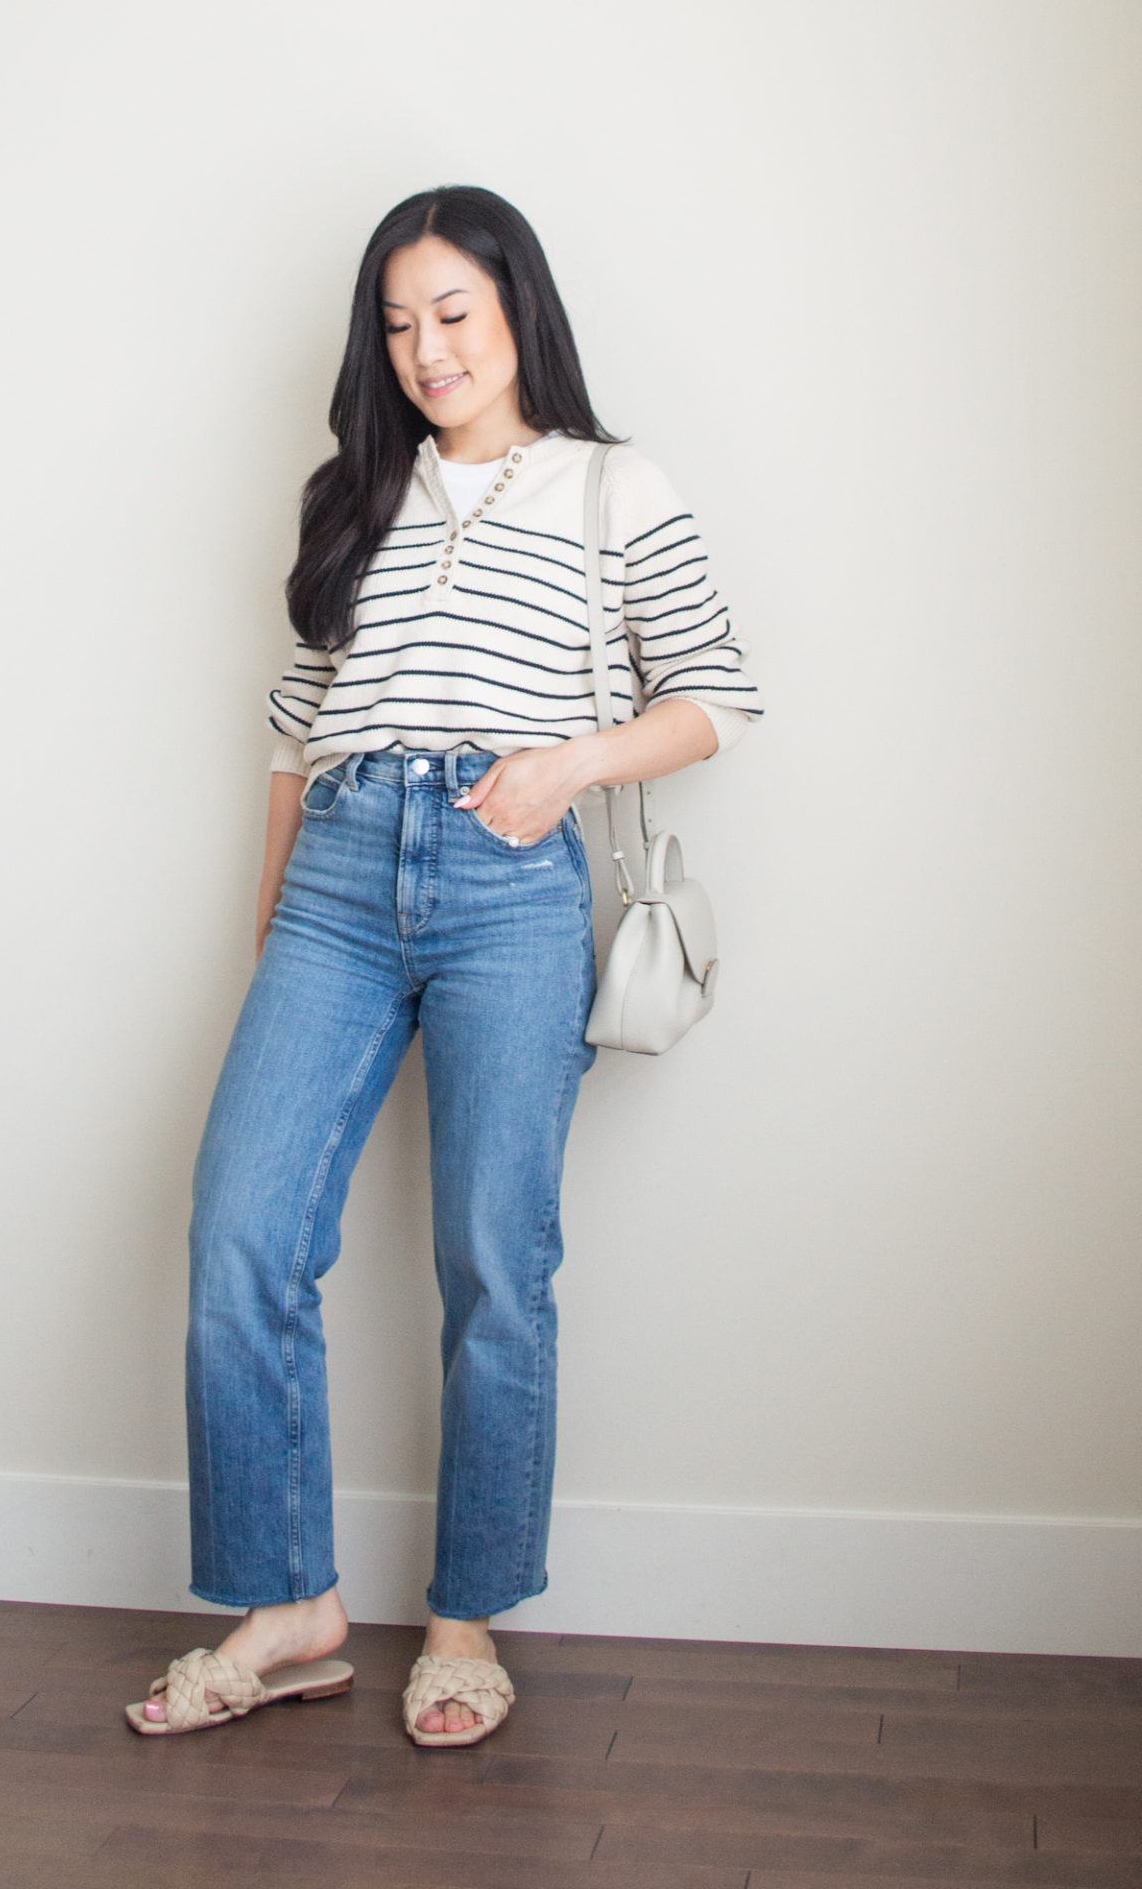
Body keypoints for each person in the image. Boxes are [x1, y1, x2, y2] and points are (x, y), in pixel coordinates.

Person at [125, 185, 765, 1749]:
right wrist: (278, 921)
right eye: (399, 325)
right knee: (241, 1234)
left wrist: (565, 770)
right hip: (341, 873)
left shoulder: (614, 488)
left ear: (515, 308)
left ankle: (465, 1618)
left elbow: (723, 690)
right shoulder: (353, 493)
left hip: (507, 878)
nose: (426, 350)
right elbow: (295, 724)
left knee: (494, 1261)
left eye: (453, 315)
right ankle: (291, 1609)